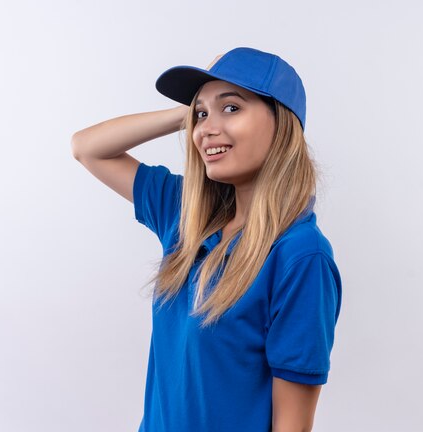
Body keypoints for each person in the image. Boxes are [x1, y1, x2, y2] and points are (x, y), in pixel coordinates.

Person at [70, 47, 342, 431]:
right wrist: (185, 114)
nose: (205, 130)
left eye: (231, 108)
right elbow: (87, 148)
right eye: (200, 114)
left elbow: (292, 425)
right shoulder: (186, 216)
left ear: (282, 124)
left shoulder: (300, 256)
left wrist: (204, 108)